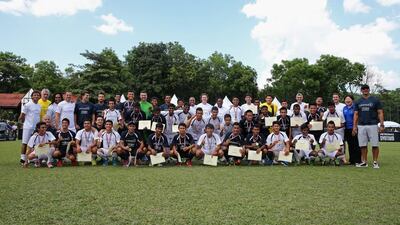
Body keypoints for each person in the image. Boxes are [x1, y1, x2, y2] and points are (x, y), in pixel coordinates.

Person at [353, 84, 384, 168]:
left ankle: (375, 162)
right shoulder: (358, 101)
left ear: (369, 90)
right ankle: (364, 162)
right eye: (363, 89)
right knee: (363, 145)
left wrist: (381, 124)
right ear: (361, 90)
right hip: (361, 125)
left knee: (375, 144)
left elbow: (380, 112)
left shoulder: (375, 100)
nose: (365, 90)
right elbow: (355, 114)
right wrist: (354, 127)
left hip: (373, 124)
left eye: (366, 88)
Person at [19, 90, 41, 165]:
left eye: (38, 95)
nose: (36, 96)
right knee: (25, 142)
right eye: (35, 95)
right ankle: (22, 158)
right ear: (31, 96)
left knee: (34, 143)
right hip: (28, 127)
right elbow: (22, 116)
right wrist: (25, 123)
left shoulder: (39, 105)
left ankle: (32, 158)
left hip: (36, 128)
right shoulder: (27, 105)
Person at [343, 95, 361, 165]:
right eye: (346, 99)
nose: (347, 100)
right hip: (347, 129)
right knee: (350, 145)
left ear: (352, 100)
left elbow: (357, 117)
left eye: (349, 99)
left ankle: (358, 160)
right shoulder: (344, 108)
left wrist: (355, 127)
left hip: (354, 128)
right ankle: (352, 160)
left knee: (356, 144)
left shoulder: (355, 107)